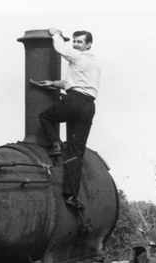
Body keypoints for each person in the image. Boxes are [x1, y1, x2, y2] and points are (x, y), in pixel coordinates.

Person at [37, 28, 101, 208]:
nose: (75, 44)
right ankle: (71, 195)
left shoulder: (77, 56)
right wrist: (54, 84)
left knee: (45, 116)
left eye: (79, 41)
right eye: (74, 41)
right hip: (88, 107)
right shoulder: (94, 62)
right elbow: (75, 82)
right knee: (76, 152)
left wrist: (55, 33)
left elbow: (61, 49)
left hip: (73, 101)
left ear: (88, 44)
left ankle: (55, 144)